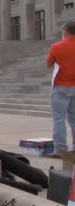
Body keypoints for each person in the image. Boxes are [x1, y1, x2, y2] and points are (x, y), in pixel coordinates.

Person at [46, 21, 75, 158]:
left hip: (61, 86)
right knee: (74, 119)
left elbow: (48, 64)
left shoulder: (57, 46)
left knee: (59, 119)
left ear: (65, 31)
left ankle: (60, 149)